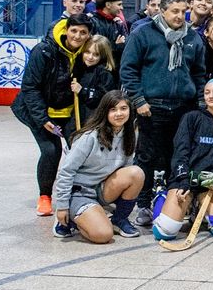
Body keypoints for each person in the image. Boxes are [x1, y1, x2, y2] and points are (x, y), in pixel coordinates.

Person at [120, 0, 207, 226]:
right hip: (151, 107)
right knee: (146, 157)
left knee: (177, 157)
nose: (179, 16)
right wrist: (138, 100)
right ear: (162, 11)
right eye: (174, 11)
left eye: (183, 12)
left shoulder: (193, 38)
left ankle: (172, 205)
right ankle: (142, 204)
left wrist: (199, 104)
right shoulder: (142, 34)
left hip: (183, 108)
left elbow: (199, 74)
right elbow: (128, 70)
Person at [12, 13, 93, 216]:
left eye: (83, 32)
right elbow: (30, 87)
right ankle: (45, 196)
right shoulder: (44, 51)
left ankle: (82, 193)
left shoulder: (88, 51)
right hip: (39, 111)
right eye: (74, 31)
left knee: (80, 148)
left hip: (68, 111)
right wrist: (42, 119)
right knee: (51, 150)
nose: (77, 36)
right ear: (66, 30)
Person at [50, 92, 145, 242]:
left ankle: (118, 220)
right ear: (104, 111)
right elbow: (66, 171)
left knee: (136, 173)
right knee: (103, 235)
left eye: (123, 108)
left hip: (101, 189)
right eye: (113, 110)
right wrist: (62, 206)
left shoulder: (129, 135)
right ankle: (70, 220)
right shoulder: (89, 137)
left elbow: (124, 171)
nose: (119, 114)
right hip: (79, 192)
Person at [152, 80, 213, 242]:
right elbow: (180, 152)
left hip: (208, 182)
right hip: (186, 179)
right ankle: (161, 196)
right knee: (164, 231)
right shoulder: (191, 117)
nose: (210, 96)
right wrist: (183, 181)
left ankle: (198, 206)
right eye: (207, 92)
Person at [68, 35, 117, 136]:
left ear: (103, 56)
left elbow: (104, 98)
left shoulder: (104, 73)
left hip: (94, 123)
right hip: (79, 120)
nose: (90, 57)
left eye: (96, 54)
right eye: (87, 52)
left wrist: (82, 91)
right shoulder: (81, 69)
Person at [89, 0, 128, 68]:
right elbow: (95, 49)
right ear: (108, 5)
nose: (122, 8)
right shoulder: (91, 22)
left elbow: (126, 46)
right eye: (119, 4)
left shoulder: (118, 24)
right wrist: (116, 46)